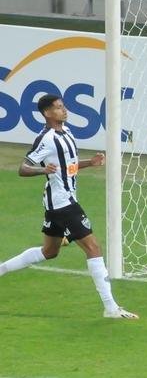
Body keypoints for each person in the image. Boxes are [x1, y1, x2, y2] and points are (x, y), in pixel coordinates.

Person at [0, 94, 137, 319]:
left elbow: (68, 166)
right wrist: (43, 170)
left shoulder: (68, 132)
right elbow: (23, 168)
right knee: (93, 248)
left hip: (60, 202)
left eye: (64, 106)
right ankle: (110, 307)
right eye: (59, 108)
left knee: (49, 251)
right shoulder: (46, 139)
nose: (64, 111)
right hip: (63, 203)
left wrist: (89, 163)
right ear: (47, 113)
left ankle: (2, 269)